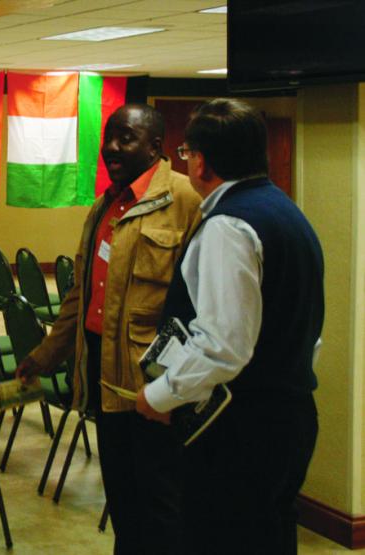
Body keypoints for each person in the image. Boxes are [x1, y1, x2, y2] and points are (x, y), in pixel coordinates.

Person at [136, 98, 323, 555]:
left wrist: (161, 395)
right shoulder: (287, 212)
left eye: (186, 154)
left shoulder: (229, 226)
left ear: (200, 161)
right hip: (290, 411)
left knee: (224, 535)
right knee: (270, 534)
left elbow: (224, 346)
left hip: (241, 427)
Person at [15, 104, 201, 554]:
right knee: (122, 495)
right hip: (103, 373)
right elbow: (81, 298)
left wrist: (177, 386)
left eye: (126, 138)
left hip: (155, 384)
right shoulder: (106, 206)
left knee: (162, 503)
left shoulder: (186, 200)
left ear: (156, 147)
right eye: (108, 138)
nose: (112, 148)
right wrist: (45, 355)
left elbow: (199, 308)